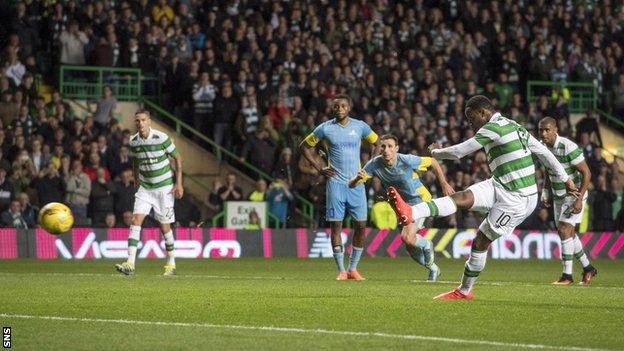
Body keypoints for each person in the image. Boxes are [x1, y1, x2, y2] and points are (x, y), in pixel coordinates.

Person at [388, 95, 578, 300]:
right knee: (462, 197)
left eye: (471, 118)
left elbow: (461, 151)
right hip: (500, 183)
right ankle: (411, 211)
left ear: (483, 113)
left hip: (518, 199)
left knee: (480, 241)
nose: (470, 123)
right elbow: (545, 154)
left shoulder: (493, 128)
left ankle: (464, 291)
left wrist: (435, 152)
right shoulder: (516, 126)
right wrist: (565, 178)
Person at [349, 134, 455, 281]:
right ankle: (433, 268)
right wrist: (357, 179)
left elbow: (432, 162)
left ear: (396, 149)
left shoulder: (406, 159)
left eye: (390, 146)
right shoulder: (374, 164)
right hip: (400, 208)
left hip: (420, 202)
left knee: (407, 237)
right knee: (410, 247)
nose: (386, 150)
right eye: (383, 146)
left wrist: (444, 184)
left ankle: (426, 244)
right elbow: (351, 184)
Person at [300, 94, 379, 281]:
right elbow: (304, 146)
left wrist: (368, 168)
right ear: (332, 108)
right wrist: (320, 168)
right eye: (336, 106)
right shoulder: (325, 129)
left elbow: (377, 143)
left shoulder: (360, 126)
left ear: (349, 107)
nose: (340, 109)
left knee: (360, 226)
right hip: (335, 183)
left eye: (343, 105)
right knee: (336, 226)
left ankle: (353, 269)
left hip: (357, 183)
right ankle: (342, 270)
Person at [115, 109, 183, 276]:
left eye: (143, 120)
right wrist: (137, 182)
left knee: (164, 226)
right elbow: (136, 163)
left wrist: (179, 184)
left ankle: (171, 262)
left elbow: (178, 158)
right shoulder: (134, 141)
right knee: (135, 219)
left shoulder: (162, 138)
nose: (140, 123)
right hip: (145, 188)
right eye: (137, 120)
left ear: (149, 121)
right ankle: (130, 263)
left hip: (164, 188)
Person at [538, 117, 597, 285]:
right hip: (558, 195)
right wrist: (545, 191)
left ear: (556, 129)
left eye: (547, 130)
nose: (543, 133)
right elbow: (549, 171)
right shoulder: (542, 148)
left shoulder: (568, 147)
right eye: (541, 130)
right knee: (567, 233)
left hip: (574, 193)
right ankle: (588, 268)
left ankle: (567, 276)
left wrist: (578, 199)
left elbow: (587, 173)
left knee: (564, 229)